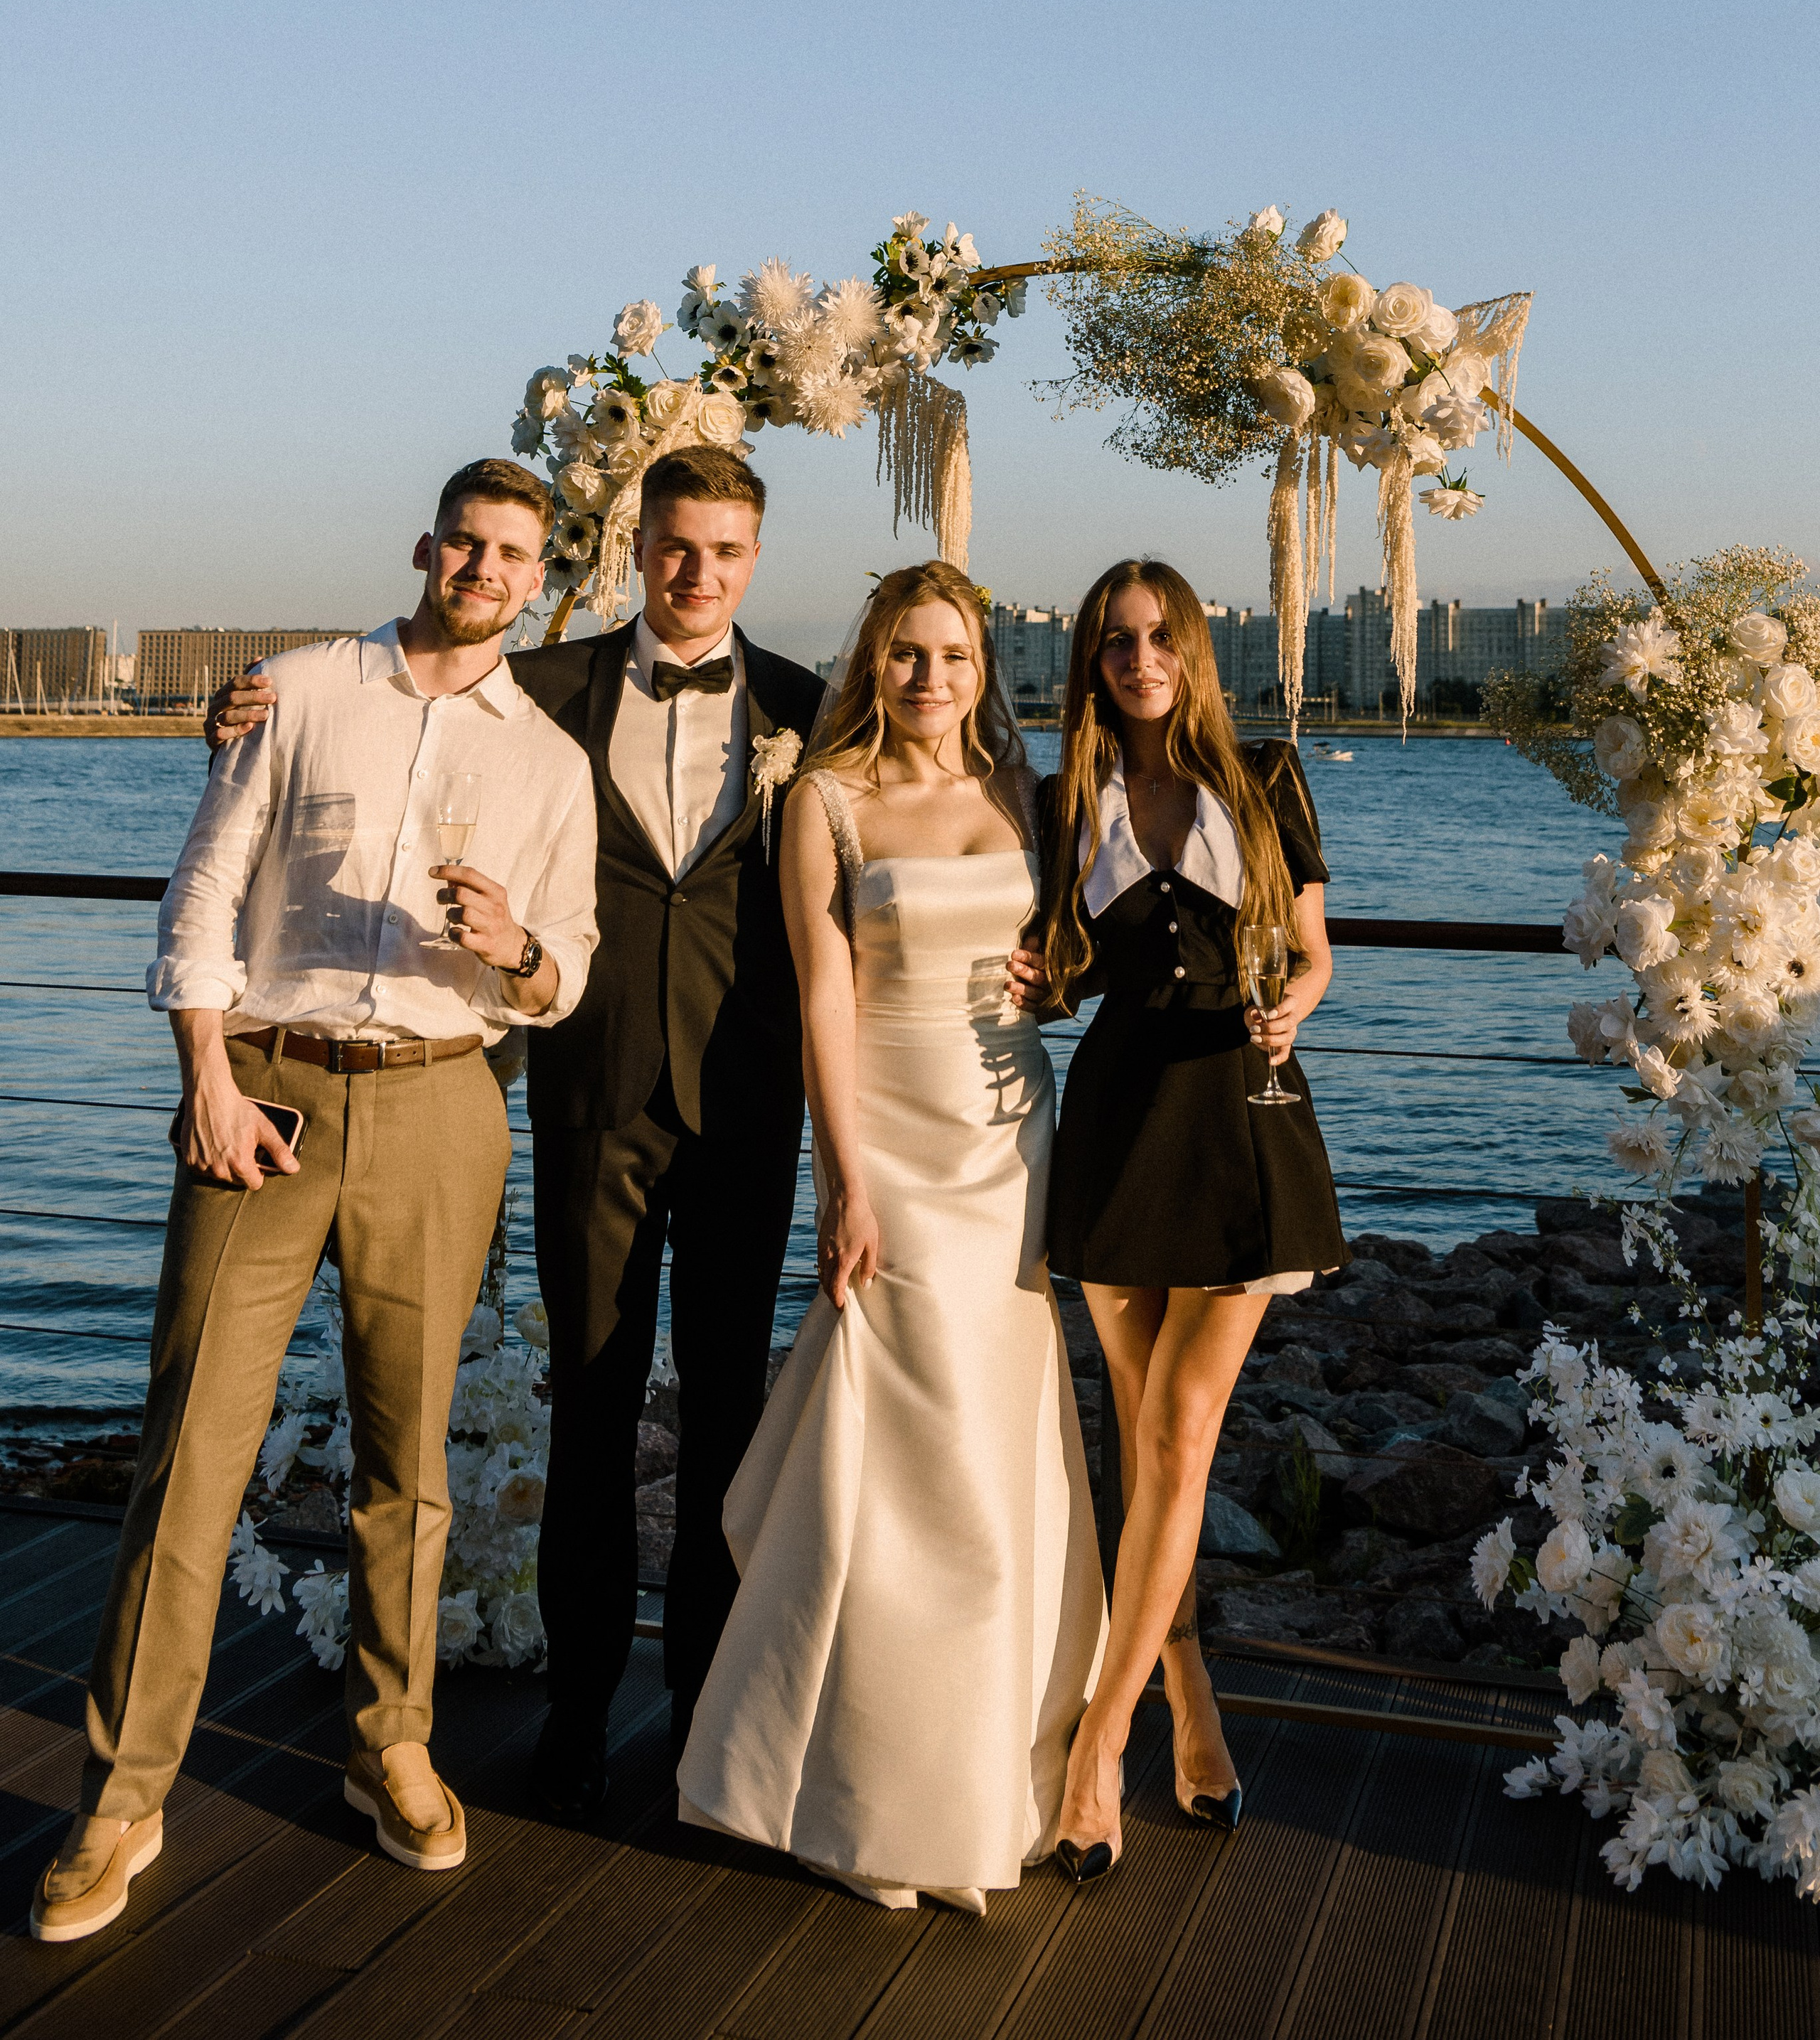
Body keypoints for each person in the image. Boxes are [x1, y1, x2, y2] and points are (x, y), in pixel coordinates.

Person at [206, 440, 823, 1821]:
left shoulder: (803, 705)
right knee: (592, 1423)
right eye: (674, 545)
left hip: (741, 1112)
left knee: (727, 1426)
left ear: (753, 559)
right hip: (584, 1105)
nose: (695, 573)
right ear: (635, 546)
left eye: (723, 552)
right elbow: (375, 736)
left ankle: (708, 1734)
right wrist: (242, 718)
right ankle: (575, 1718)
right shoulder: (534, 690)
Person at [31, 459, 599, 1945]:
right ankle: (124, 1793)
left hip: (440, 1105)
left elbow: (566, 975)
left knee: (407, 1468)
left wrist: (516, 947)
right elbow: (204, 890)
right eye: (465, 543)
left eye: (512, 553)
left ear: (538, 578)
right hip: (263, 1094)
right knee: (191, 1454)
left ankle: (388, 1745)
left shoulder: (546, 760)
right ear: (428, 549)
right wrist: (205, 1076)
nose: (483, 568)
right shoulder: (294, 689)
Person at [676, 562, 1107, 1914]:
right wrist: (846, 1182)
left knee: (1002, 1451)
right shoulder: (825, 800)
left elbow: (1081, 945)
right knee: (916, 1474)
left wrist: (1059, 975)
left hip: (1011, 1140)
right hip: (898, 1155)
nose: (934, 680)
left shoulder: (1026, 794)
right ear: (875, 662)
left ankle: (986, 1777)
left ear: (987, 669)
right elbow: (824, 1002)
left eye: (958, 657)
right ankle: (875, 1791)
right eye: (911, 655)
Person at [1037, 558, 1347, 1880]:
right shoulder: (1070, 797)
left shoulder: (1266, 775)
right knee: (1138, 1437)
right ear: (1094, 660)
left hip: (1243, 1112)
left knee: (1182, 1426)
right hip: (1118, 1119)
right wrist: (1031, 969)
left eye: (1161, 638)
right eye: (1117, 641)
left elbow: (1320, 950)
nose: (1140, 658)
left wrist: (1302, 1000)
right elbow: (1060, 969)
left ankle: (1101, 1741)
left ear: (1195, 650)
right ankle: (1194, 1698)